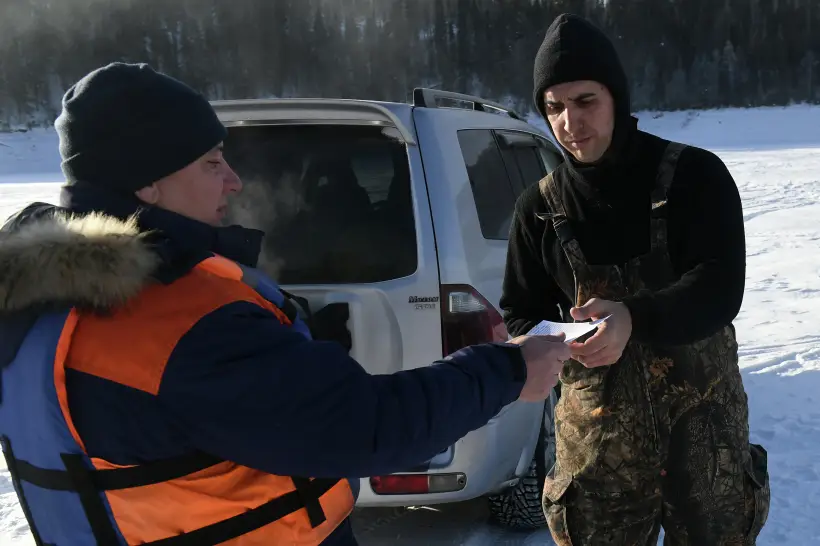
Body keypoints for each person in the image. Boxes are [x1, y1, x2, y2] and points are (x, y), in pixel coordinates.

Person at [0, 62, 571, 546]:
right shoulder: (179, 323)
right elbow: (365, 426)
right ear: (146, 183)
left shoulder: (38, 305)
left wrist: (291, 333)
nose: (234, 181)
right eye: (211, 162)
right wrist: (508, 368)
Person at [499, 13, 771, 546]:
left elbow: (720, 287)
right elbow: (520, 310)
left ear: (616, 98)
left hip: (704, 437)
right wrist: (557, 341)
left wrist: (633, 318)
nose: (570, 122)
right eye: (553, 107)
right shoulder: (537, 209)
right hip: (600, 451)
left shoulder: (695, 176)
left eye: (585, 101)